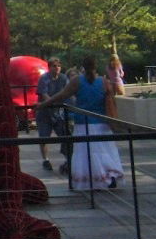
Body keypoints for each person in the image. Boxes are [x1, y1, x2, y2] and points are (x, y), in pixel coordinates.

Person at [37, 55, 123, 190]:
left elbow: (61, 95)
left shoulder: (77, 81)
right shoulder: (103, 82)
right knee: (104, 152)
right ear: (96, 67)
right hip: (101, 124)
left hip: (83, 123)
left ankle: (90, 180)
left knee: (86, 154)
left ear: (83, 67)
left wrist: (44, 104)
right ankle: (108, 177)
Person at [36, 58, 70, 174]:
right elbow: (44, 94)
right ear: (49, 67)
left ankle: (67, 159)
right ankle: (45, 159)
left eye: (59, 66)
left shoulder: (64, 78)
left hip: (59, 113)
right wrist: (54, 102)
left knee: (65, 135)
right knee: (44, 137)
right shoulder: (44, 78)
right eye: (54, 66)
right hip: (45, 113)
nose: (57, 68)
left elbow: (67, 93)